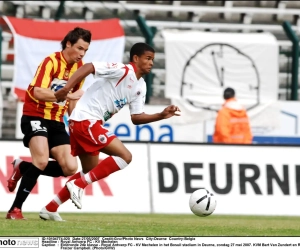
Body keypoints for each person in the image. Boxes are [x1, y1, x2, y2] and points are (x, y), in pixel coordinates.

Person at [38, 42, 181, 221]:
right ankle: (78, 185)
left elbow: (136, 118)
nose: (151, 63)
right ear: (136, 59)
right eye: (148, 58)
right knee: (125, 156)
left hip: (85, 122)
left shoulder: (140, 86)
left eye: (153, 59)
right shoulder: (122, 70)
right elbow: (90, 67)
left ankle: (50, 208)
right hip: (85, 119)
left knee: (90, 171)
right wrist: (67, 89)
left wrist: (160, 115)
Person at [6, 27, 92, 220]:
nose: (81, 53)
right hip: (35, 115)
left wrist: (74, 124)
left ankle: (22, 168)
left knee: (70, 167)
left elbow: (72, 101)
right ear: (68, 44)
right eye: (79, 48)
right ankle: (15, 210)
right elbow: (38, 92)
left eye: (85, 50)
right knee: (42, 160)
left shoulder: (80, 69)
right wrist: (68, 94)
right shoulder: (51, 62)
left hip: (56, 120)